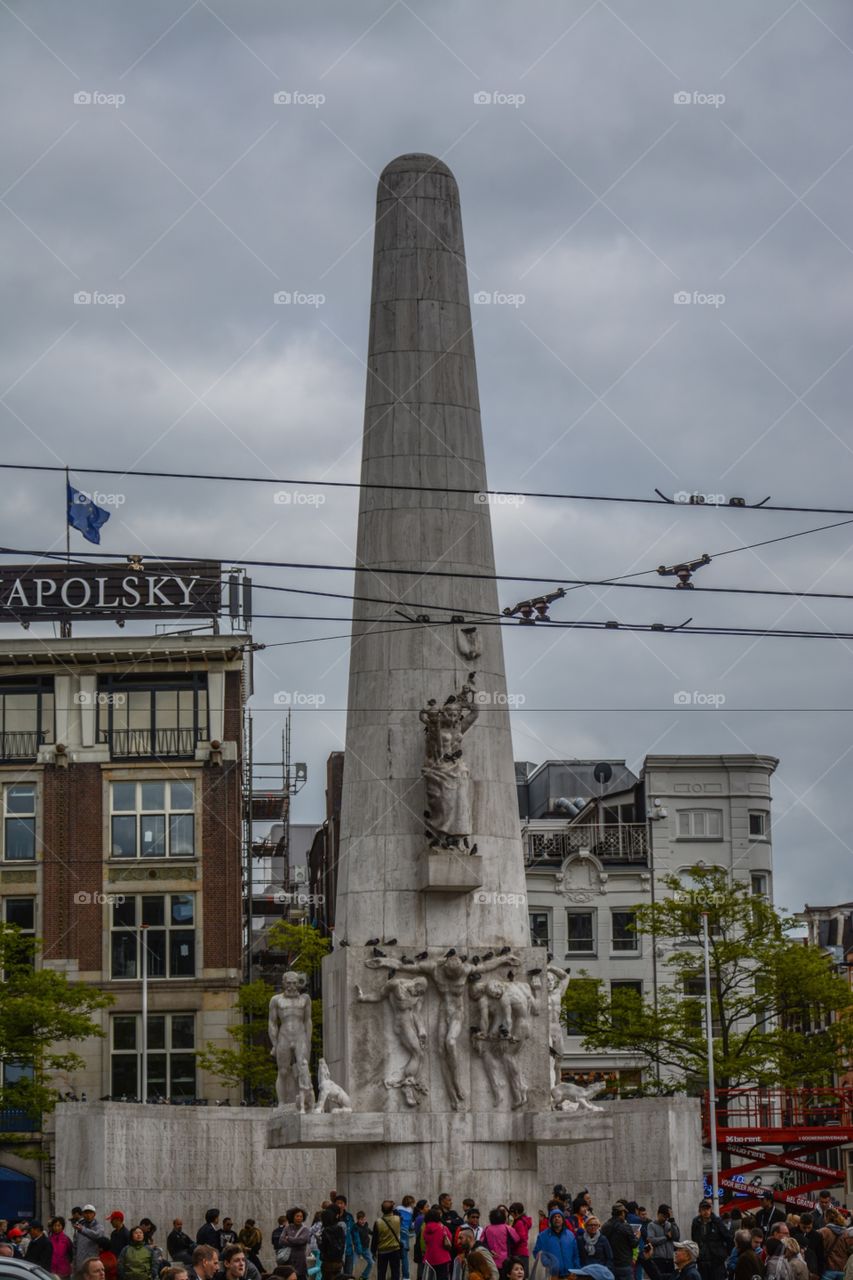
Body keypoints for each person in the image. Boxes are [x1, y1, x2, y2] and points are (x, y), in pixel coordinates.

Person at [534, 1210, 581, 1279]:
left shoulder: (570, 1235)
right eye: (554, 1217)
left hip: (570, 1275)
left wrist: (576, 1270)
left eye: (559, 1217)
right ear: (551, 1220)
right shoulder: (542, 1236)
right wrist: (549, 1265)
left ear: (563, 1220)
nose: (557, 1218)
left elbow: (576, 1255)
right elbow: (537, 1253)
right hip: (553, 1276)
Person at [691, 1203, 732, 1280]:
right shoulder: (696, 1222)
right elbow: (694, 1239)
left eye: (708, 1209)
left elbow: (728, 1237)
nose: (706, 1211)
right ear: (700, 1211)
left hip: (717, 1261)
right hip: (702, 1261)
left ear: (711, 1210)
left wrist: (725, 1253)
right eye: (703, 1209)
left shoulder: (717, 1221)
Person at [601, 1205, 636, 1280]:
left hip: (610, 1265)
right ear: (622, 1213)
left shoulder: (605, 1226)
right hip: (624, 1264)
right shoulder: (626, 1226)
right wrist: (637, 1237)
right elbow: (634, 1244)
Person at [372, 1202, 404, 1280]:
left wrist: (373, 1251)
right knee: (395, 1272)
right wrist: (393, 1208)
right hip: (395, 1250)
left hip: (382, 1251)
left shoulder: (378, 1222)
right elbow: (398, 1213)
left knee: (381, 1273)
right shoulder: (398, 1219)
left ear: (382, 1210)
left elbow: (375, 1238)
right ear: (392, 1209)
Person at [481, 1210, 519, 1275]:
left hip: (491, 1261)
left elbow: (482, 1243)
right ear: (504, 1218)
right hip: (506, 1261)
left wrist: (490, 1251)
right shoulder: (507, 1228)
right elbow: (516, 1239)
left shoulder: (487, 1229)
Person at [73, 1205, 106, 1275]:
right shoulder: (79, 1227)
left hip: (93, 1263)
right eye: (86, 1213)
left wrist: (83, 1230)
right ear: (83, 1214)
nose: (88, 1215)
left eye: (90, 1213)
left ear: (94, 1214)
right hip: (80, 1263)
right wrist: (74, 1262)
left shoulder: (99, 1227)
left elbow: (97, 1236)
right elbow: (75, 1245)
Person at [819, 1210, 853, 1278]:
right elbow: (849, 1250)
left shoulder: (823, 1232)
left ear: (826, 1218)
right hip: (842, 1268)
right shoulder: (846, 1233)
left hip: (828, 1268)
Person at [422, 1207, 452, 1280]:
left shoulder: (425, 1229)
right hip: (442, 1258)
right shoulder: (443, 1228)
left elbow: (425, 1241)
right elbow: (450, 1238)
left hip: (429, 1258)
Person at [280, 1209, 312, 1280]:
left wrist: (289, 1238)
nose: (299, 1218)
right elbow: (281, 1241)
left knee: (300, 1277)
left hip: (300, 1259)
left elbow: (301, 1241)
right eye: (297, 1216)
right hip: (289, 1258)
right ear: (292, 1217)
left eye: (301, 1216)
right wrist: (295, 1242)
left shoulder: (305, 1230)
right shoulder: (287, 1228)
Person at [647, 1209, 680, 1276]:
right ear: (658, 1214)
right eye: (663, 1216)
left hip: (670, 1258)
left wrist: (672, 1220)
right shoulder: (651, 1225)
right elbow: (651, 1240)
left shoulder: (670, 1224)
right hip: (658, 1259)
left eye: (666, 1217)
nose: (665, 1219)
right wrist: (666, 1237)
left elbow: (676, 1237)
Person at [319, 1206, 346, 1280]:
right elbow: (343, 1244)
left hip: (328, 1262)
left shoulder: (326, 1231)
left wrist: (318, 1242)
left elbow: (323, 1248)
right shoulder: (340, 1228)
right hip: (338, 1262)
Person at [508, 1204, 532, 1275]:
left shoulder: (519, 1223)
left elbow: (521, 1237)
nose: (510, 1214)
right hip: (522, 1253)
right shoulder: (523, 1221)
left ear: (516, 1212)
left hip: (519, 1253)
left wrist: (511, 1242)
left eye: (511, 1212)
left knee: (519, 1275)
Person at [396, 1198, 415, 1280]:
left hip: (396, 1233)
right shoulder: (410, 1211)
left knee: (395, 1257)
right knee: (404, 1257)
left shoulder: (397, 1209)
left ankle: (395, 1276)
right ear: (410, 1203)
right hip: (404, 1234)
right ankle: (405, 1277)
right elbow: (411, 1226)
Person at [354, 1212, 374, 1280]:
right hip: (357, 1249)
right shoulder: (355, 1227)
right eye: (361, 1220)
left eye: (364, 1219)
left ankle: (364, 1276)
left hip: (365, 1249)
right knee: (353, 1263)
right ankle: (349, 1277)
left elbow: (370, 1232)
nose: (363, 1221)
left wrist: (376, 1233)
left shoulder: (366, 1226)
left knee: (371, 1263)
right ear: (357, 1220)